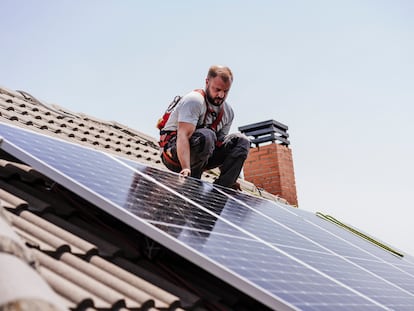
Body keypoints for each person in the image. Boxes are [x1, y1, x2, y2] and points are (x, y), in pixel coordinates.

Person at [160, 65, 250, 189]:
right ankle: (192, 182)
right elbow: (183, 135)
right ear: (207, 82)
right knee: (208, 134)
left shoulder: (228, 112)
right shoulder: (194, 101)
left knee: (242, 141)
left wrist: (230, 175)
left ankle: (223, 188)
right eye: (217, 89)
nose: (221, 95)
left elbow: (219, 144)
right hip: (175, 154)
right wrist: (186, 168)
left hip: (203, 155)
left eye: (226, 91)